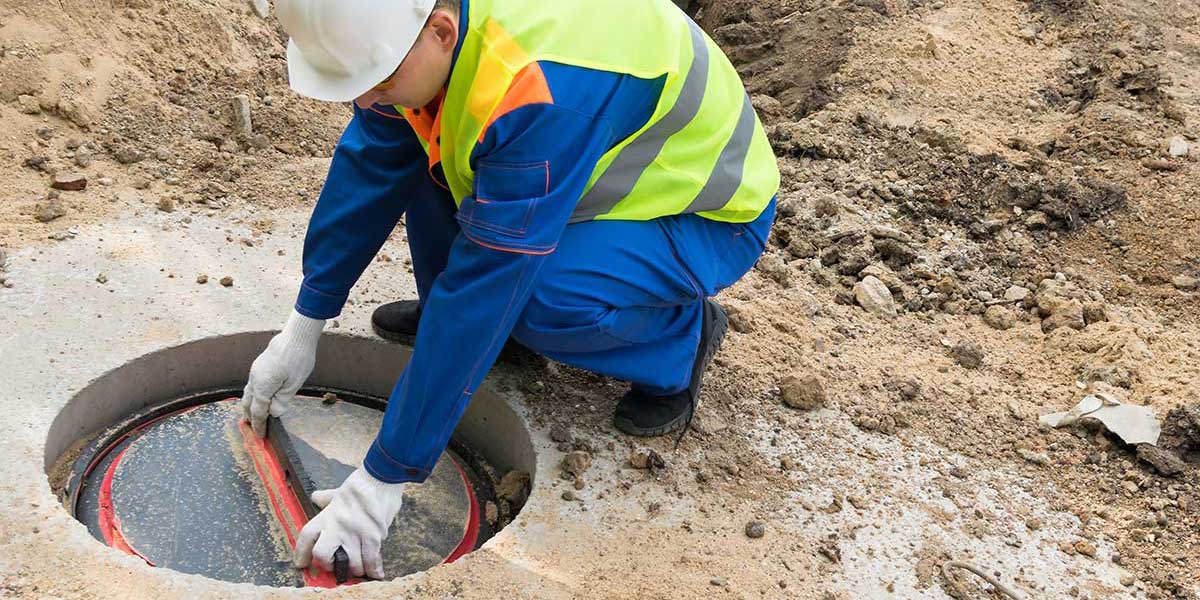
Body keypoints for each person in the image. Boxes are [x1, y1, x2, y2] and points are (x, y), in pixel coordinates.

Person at [240, 0, 779, 580]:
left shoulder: (536, 86)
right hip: (582, 171)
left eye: (374, 80)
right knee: (423, 143)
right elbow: (373, 162)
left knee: (535, 296)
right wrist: (304, 322)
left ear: (442, 32)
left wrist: (383, 477)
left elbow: (487, 284)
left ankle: (680, 340)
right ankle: (489, 342)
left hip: (699, 212)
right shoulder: (410, 33)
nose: (366, 99)